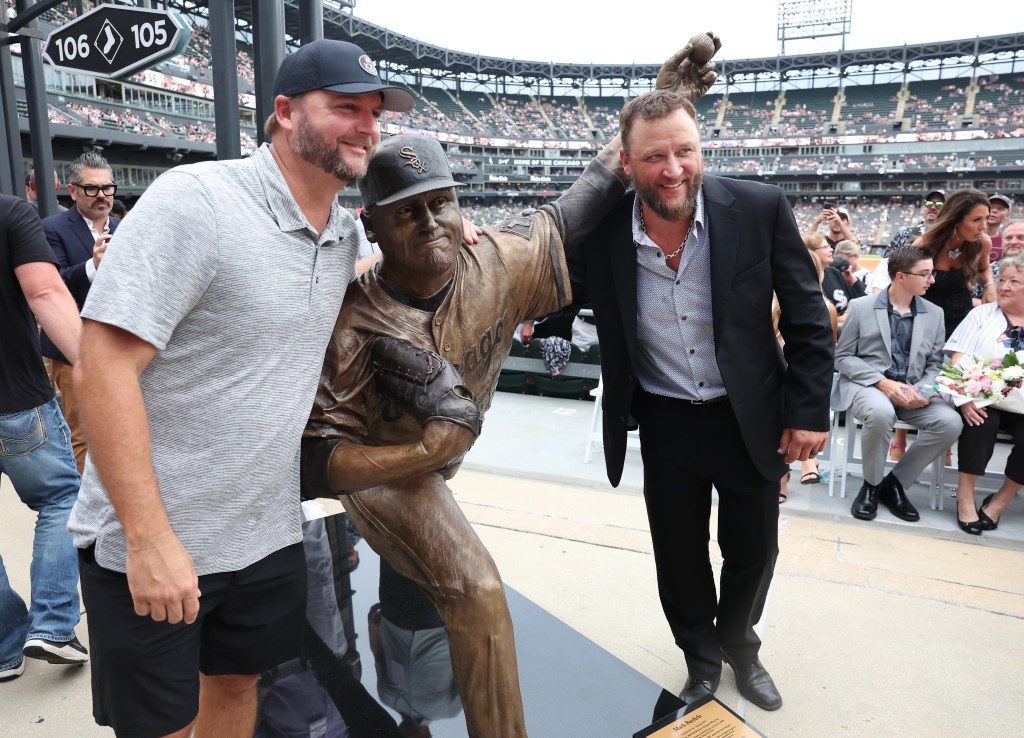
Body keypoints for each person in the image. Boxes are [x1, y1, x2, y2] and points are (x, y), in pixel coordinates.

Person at [301, 42, 719, 737]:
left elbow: (580, 201)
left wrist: (653, 110)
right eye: (407, 212)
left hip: (437, 450)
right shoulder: (353, 322)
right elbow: (318, 462)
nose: (431, 224)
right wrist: (420, 457)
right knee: (477, 591)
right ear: (371, 224)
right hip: (381, 464)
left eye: (440, 204)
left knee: (427, 587)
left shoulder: (495, 258)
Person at [67, 39, 416, 738]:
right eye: (345, 107)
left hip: (266, 533)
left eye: (374, 112)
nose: (366, 127)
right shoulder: (196, 203)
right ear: (284, 113)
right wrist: (149, 539)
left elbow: (365, 281)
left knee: (237, 686)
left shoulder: (343, 236)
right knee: (160, 725)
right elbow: (101, 367)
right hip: (160, 537)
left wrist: (462, 235)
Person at [566, 88, 833, 711]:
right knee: (679, 556)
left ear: (701, 147)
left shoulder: (759, 207)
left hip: (751, 416)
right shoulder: (602, 229)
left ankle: (740, 642)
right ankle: (701, 657)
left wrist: (807, 411)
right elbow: (540, 267)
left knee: (754, 550)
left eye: (685, 150)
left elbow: (806, 318)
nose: (674, 168)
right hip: (665, 419)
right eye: (654, 156)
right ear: (626, 164)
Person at [0, 194, 87, 681]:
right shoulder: (11, 213)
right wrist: (95, 367)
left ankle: (4, 646)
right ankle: (52, 626)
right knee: (60, 497)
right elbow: (45, 294)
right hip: (16, 396)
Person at [833, 247, 962, 523]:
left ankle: (894, 483)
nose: (932, 280)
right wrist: (883, 383)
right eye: (925, 274)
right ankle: (871, 485)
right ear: (901, 276)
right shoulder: (861, 307)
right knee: (881, 413)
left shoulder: (935, 313)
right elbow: (842, 357)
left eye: (932, 273)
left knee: (951, 422)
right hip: (869, 387)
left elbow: (936, 365)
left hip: (913, 392)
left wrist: (923, 391)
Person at [39, 152, 121, 473]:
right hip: (72, 346)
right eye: (91, 188)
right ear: (72, 191)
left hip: (121, 345)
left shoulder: (127, 226)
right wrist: (93, 265)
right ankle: (89, 511)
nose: (102, 195)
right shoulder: (50, 229)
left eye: (107, 187)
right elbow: (52, 285)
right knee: (83, 433)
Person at [944, 252, 1024, 534]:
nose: (1004, 286)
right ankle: (965, 496)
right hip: (978, 397)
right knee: (981, 422)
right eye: (1002, 279)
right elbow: (956, 359)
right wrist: (964, 399)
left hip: (1021, 406)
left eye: (1015, 281)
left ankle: (999, 502)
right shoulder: (980, 314)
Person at [882, 189, 945, 257]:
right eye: (928, 204)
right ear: (923, 207)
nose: (933, 207)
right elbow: (886, 260)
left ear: (947, 208)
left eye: (939, 204)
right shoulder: (904, 233)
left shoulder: (952, 235)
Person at [986, 193, 1012, 262]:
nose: (994, 211)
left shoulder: (1008, 242)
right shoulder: (968, 236)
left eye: (1000, 209)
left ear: (1008, 215)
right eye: (990, 207)